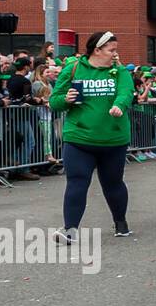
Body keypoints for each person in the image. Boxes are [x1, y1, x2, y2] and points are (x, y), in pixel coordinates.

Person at [48, 32, 135, 242]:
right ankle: (70, 230)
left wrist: (119, 105)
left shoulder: (119, 71)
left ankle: (120, 222)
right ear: (97, 50)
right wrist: (66, 99)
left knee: (113, 183)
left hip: (113, 139)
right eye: (111, 50)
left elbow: (127, 92)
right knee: (77, 182)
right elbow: (54, 100)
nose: (115, 54)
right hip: (79, 138)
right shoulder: (74, 69)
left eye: (116, 50)